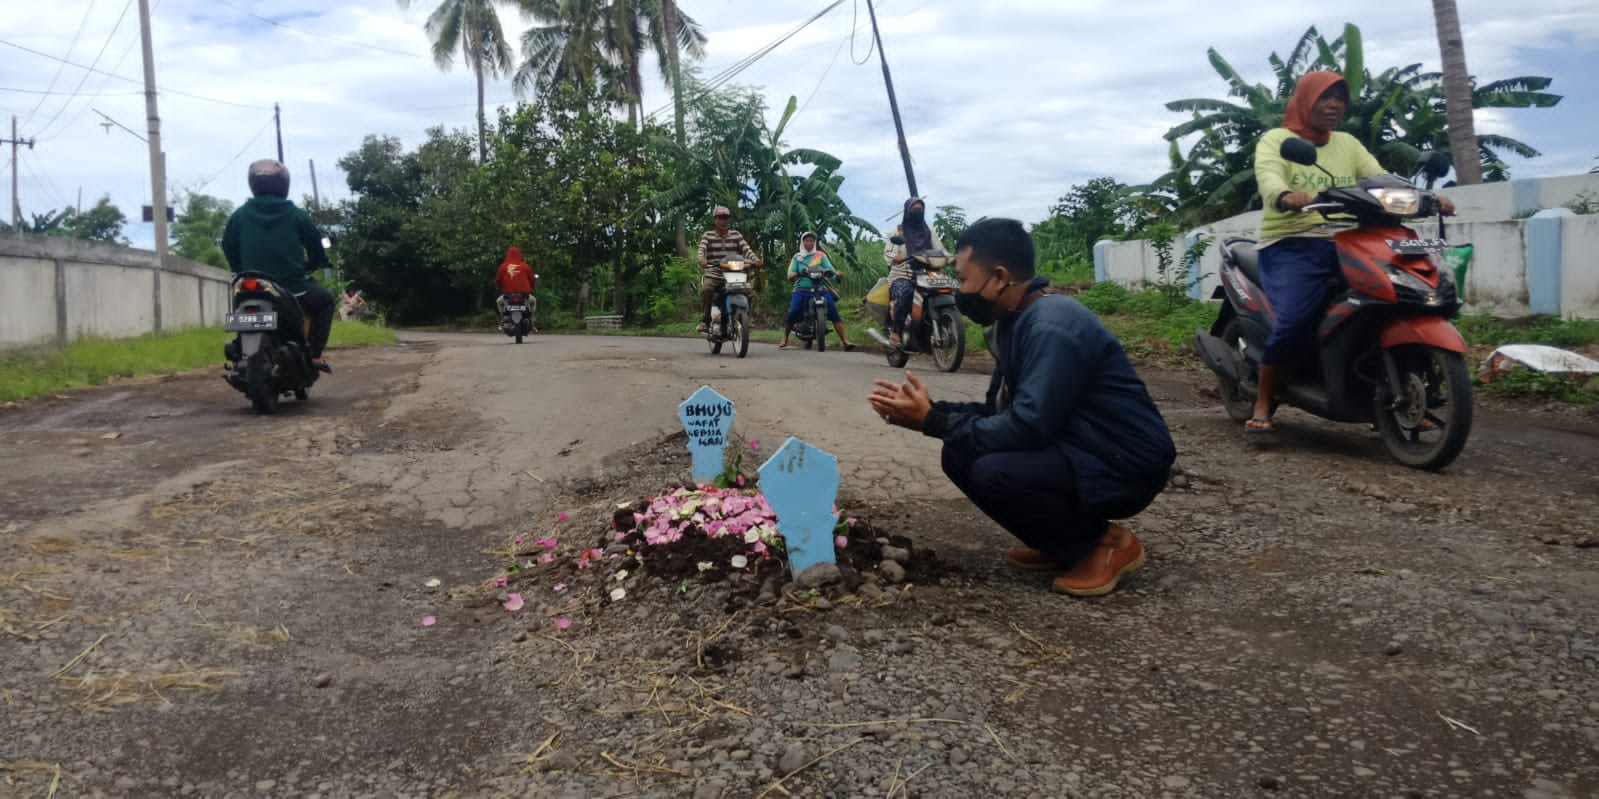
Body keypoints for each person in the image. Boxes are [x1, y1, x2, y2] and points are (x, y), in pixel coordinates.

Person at [867, 217, 1176, 596]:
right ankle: (1063, 544)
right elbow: (1000, 414)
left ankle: (1104, 544)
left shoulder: (1051, 326)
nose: (959, 291)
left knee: (995, 470)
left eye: (963, 280)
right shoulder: (1014, 322)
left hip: (1123, 462)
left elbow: (1027, 427)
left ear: (998, 277)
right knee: (960, 453)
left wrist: (932, 421)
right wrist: (932, 410)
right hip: (1080, 445)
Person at [1247, 70, 1455, 434]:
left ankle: (1390, 390)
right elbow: (1269, 176)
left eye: (1340, 98)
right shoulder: (1277, 140)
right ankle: (1265, 399)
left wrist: (1428, 197)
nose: (1334, 105)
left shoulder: (1348, 144)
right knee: (1294, 321)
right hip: (1294, 242)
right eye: (1325, 97)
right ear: (1305, 100)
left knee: (1396, 300)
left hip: (1351, 240)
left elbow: (1381, 178)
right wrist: (1285, 196)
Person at [222, 159, 334, 372]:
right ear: (284, 184)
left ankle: (239, 352)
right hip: (293, 287)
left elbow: (228, 246)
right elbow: (315, 246)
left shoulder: (240, 215)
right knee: (325, 300)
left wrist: (240, 269)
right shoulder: (296, 215)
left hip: (249, 283)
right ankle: (315, 355)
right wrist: (316, 262)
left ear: (253, 184)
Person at [882, 197, 948, 349]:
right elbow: (889, 255)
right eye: (914, 209)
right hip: (902, 275)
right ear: (907, 211)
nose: (918, 212)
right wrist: (900, 257)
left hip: (927, 274)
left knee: (947, 291)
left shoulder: (929, 231)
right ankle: (896, 333)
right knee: (904, 294)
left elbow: (941, 250)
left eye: (920, 209)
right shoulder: (898, 231)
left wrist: (948, 258)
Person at [779, 231, 858, 351]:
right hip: (802, 289)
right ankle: (785, 338)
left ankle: (845, 341)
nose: (809, 243)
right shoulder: (797, 257)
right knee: (794, 311)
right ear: (802, 242)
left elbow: (830, 270)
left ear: (814, 242)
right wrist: (795, 274)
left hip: (820, 288)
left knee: (834, 312)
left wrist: (837, 275)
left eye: (812, 241)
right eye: (807, 241)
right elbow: (790, 274)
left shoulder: (820, 255)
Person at [695, 206, 761, 333]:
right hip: (714, 273)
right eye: (720, 217)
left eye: (726, 217)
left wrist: (755, 259)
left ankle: (747, 318)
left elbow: (746, 249)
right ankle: (706, 320)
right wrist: (701, 259)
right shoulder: (708, 235)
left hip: (734, 273)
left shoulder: (736, 235)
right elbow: (701, 249)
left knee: (750, 293)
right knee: (706, 290)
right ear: (715, 220)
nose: (723, 221)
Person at [494, 246, 538, 330]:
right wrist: (532, 286)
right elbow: (532, 279)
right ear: (520, 255)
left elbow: (498, 280)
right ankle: (532, 322)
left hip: (508, 296)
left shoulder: (503, 266)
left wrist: (498, 286)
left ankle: (503, 319)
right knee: (534, 301)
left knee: (499, 301)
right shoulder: (525, 266)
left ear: (508, 255)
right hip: (524, 296)